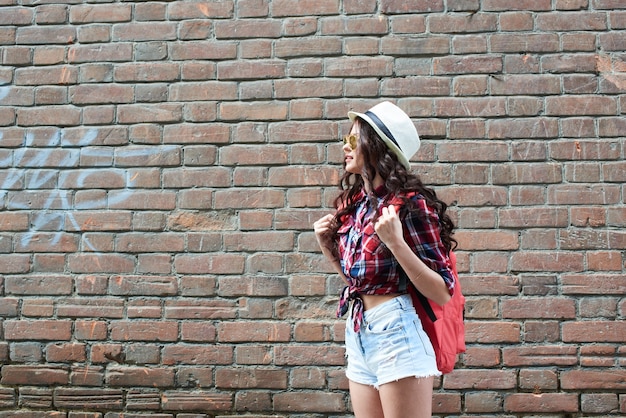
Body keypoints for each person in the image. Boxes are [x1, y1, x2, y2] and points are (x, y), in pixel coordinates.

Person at [313, 101, 457, 418]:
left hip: (397, 331)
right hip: (359, 328)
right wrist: (328, 248)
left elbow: (442, 291)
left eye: (353, 139)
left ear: (376, 145)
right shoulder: (355, 205)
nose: (344, 146)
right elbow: (360, 283)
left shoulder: (410, 204)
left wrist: (396, 242)